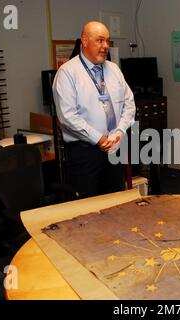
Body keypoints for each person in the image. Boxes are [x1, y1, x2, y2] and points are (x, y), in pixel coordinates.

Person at [52, 21, 135, 197]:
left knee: (115, 202)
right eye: (100, 40)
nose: (105, 46)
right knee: (88, 206)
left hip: (114, 146)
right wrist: (99, 139)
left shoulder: (113, 69)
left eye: (108, 41)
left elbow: (129, 103)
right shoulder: (67, 73)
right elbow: (67, 116)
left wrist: (119, 132)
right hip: (85, 153)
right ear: (84, 40)